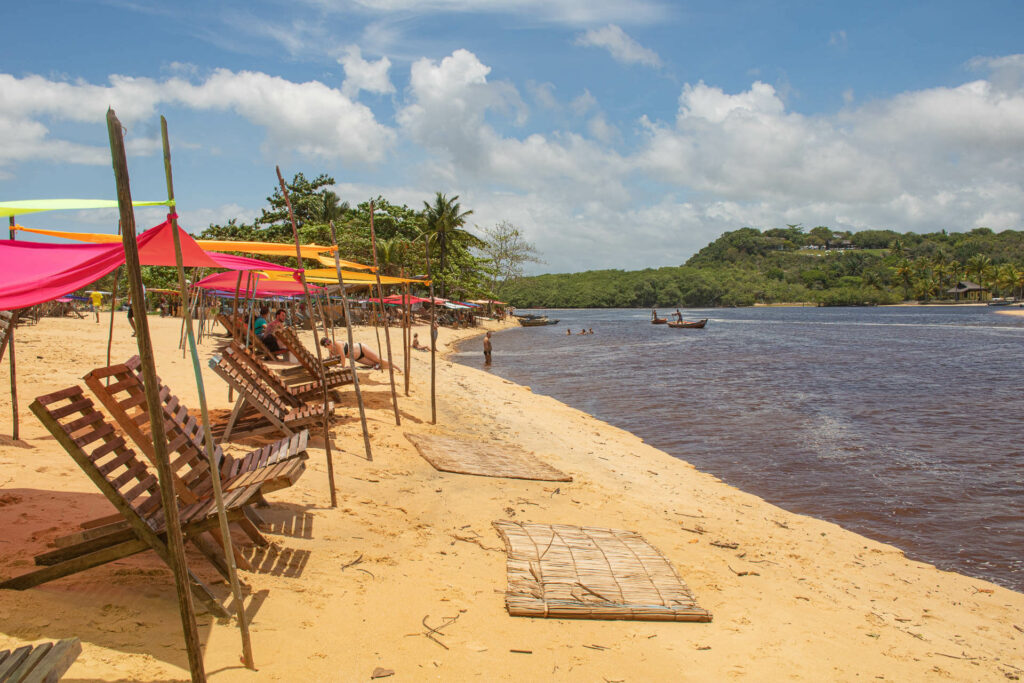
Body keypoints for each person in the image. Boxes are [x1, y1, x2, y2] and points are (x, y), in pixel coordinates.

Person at [321, 337, 401, 373]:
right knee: (374, 364)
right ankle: (390, 368)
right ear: (325, 346)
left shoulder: (337, 344)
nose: (330, 344)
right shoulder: (331, 351)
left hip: (361, 348)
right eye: (327, 344)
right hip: (358, 357)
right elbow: (332, 360)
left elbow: (342, 357)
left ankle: (397, 367)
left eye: (330, 342)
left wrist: (343, 367)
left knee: (378, 359)